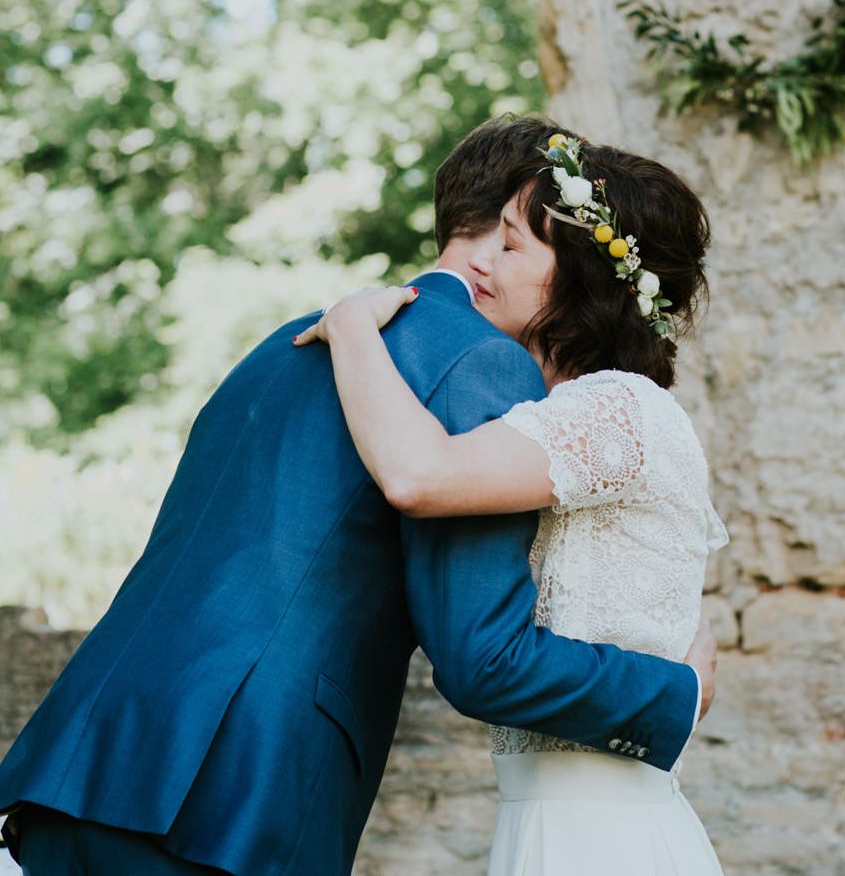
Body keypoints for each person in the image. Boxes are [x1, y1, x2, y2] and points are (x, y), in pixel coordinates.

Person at [0, 116, 717, 876]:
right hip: (237, 792)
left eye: (520, 241)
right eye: (505, 235)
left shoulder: (283, 343)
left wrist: (349, 324)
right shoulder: (482, 367)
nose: (500, 255)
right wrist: (680, 691)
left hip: (84, 761)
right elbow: (482, 654)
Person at [294, 129, 729, 873]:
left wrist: (352, 326)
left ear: (583, 277)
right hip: (540, 820)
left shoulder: (620, 408)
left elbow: (418, 476)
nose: (481, 263)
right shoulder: (546, 418)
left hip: (605, 835)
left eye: (513, 245)